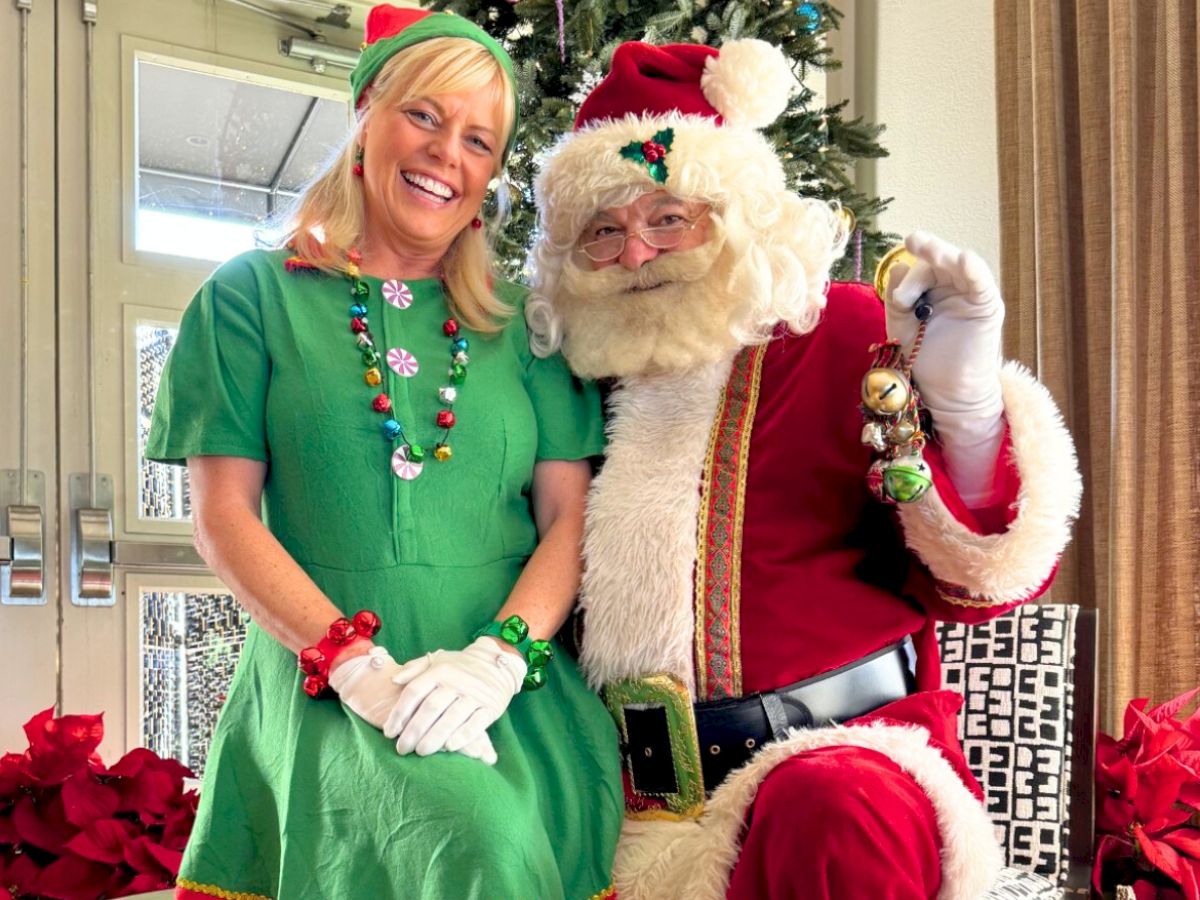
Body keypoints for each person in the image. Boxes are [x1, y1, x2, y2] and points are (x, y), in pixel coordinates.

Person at [526, 38, 1082, 900]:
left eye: (669, 218)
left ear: (737, 210)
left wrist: (967, 413)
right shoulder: (562, 385)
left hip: (835, 757)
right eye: (604, 232)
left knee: (835, 811)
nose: (637, 256)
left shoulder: (841, 333)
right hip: (613, 794)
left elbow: (986, 581)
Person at [146, 6, 622, 899]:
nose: (450, 154)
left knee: (494, 838)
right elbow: (221, 519)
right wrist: (354, 667)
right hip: (327, 684)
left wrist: (501, 658)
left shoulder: (530, 325)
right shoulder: (247, 299)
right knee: (470, 838)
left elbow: (569, 518)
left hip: (508, 691)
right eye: (427, 116)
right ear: (368, 114)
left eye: (480, 141)